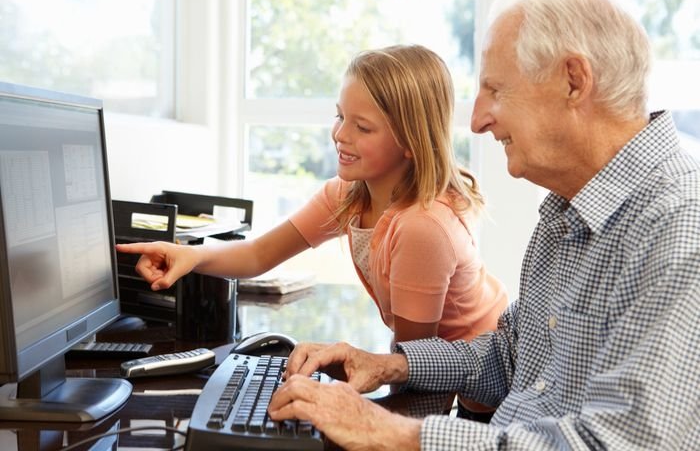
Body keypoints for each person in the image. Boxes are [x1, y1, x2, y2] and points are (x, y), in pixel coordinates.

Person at [266, 0, 700, 449]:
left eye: (495, 89)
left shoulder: (678, 227)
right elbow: (509, 357)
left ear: (574, 81)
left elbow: (620, 444)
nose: (476, 121)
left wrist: (391, 432)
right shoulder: (566, 212)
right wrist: (389, 364)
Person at [116, 44, 508, 418]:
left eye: (363, 127)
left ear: (410, 141)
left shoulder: (422, 226)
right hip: (434, 371)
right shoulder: (350, 195)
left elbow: (410, 366)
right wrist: (192, 255)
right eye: (340, 116)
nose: (340, 134)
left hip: (483, 392)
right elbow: (258, 255)